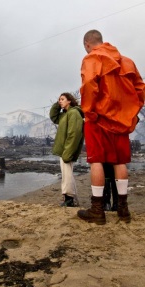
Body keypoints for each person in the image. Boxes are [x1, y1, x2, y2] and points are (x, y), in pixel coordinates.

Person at [77, 29, 145, 225]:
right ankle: (123, 209)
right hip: (121, 121)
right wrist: (131, 112)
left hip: (98, 118)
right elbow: (141, 88)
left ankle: (97, 210)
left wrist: (89, 112)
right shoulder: (127, 62)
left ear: (87, 44)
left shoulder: (91, 58)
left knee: (96, 160)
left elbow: (89, 84)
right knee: (119, 161)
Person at [50, 92, 84, 207]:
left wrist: (68, 152)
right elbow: (54, 117)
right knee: (67, 174)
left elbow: (74, 134)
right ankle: (71, 198)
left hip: (67, 150)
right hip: (64, 149)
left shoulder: (74, 113)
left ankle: (69, 199)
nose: (60, 101)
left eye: (62, 99)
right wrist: (57, 104)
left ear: (69, 101)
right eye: (59, 99)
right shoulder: (65, 114)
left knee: (67, 174)